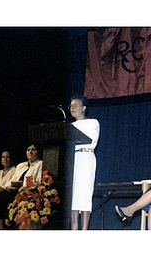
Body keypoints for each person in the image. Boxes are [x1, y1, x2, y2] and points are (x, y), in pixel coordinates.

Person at [0, 144, 42, 229]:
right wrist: (8, 186)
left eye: (33, 149)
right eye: (28, 149)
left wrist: (23, 188)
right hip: (13, 190)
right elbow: (12, 179)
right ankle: (1, 228)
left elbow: (37, 181)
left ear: (38, 153)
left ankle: (6, 226)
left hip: (25, 192)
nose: (30, 152)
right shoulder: (21, 165)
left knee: (1, 200)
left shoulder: (40, 164)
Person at [69, 95, 100, 230]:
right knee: (73, 197)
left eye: (76, 105)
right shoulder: (70, 126)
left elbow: (91, 138)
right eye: (71, 106)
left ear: (84, 108)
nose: (72, 108)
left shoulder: (93, 122)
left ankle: (84, 231)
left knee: (84, 195)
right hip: (72, 160)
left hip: (86, 158)